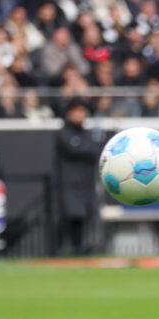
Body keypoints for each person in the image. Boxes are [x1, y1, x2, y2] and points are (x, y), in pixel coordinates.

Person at [55, 99, 102, 255]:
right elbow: (75, 149)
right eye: (76, 111)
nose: (80, 115)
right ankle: (60, 249)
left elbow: (94, 151)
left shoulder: (87, 133)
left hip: (86, 183)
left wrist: (84, 148)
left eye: (82, 111)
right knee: (69, 216)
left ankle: (79, 248)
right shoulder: (64, 133)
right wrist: (85, 149)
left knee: (84, 217)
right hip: (69, 183)